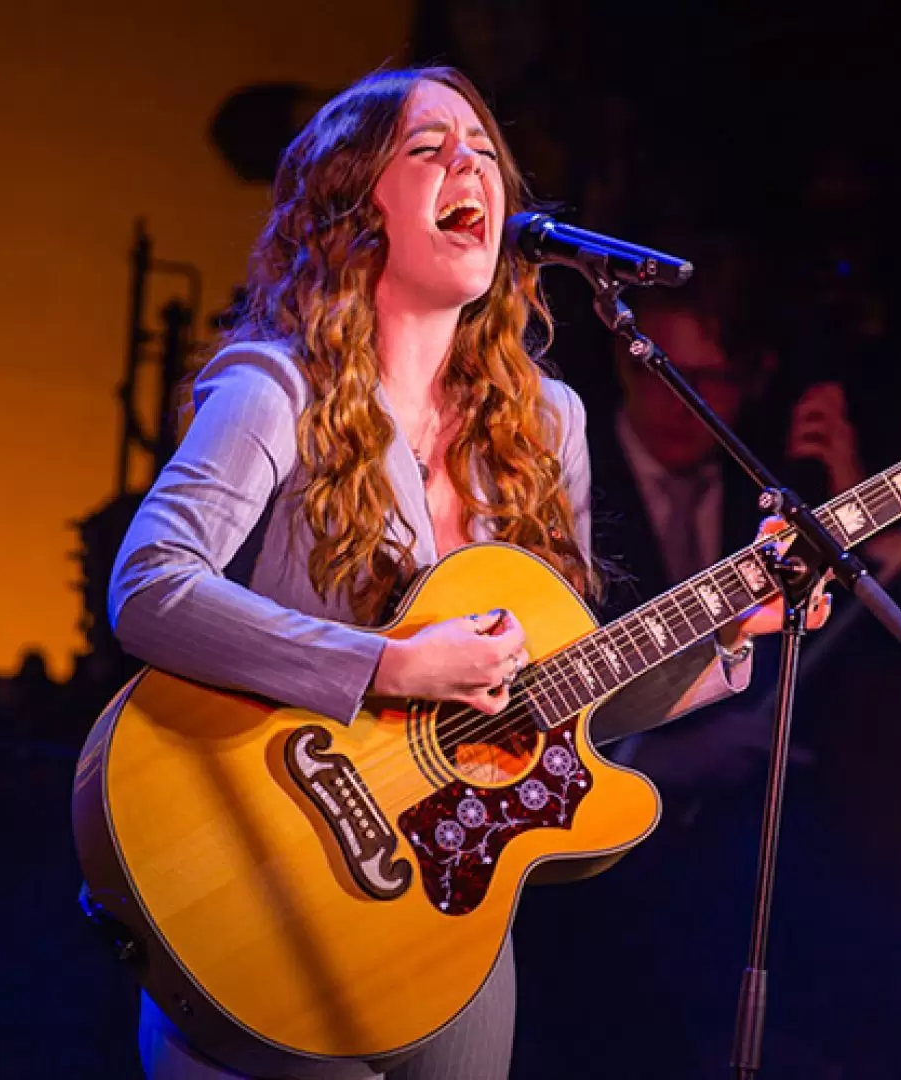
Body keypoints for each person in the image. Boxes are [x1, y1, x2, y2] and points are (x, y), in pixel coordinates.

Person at [104, 67, 830, 1080]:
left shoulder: (546, 424)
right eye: (428, 148)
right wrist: (389, 665)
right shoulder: (278, 386)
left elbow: (560, 705)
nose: (471, 166)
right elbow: (149, 587)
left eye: (485, 152)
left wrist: (730, 626)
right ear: (354, 205)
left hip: (453, 912)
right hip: (271, 882)